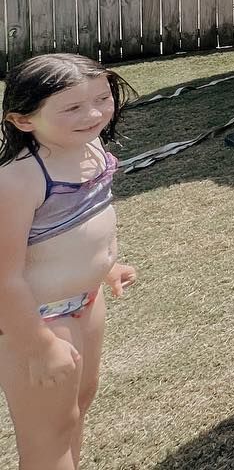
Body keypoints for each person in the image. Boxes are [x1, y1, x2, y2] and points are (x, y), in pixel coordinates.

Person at [0, 53, 138, 470]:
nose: (94, 113)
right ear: (24, 121)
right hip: (37, 320)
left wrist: (105, 266)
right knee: (48, 438)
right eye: (73, 107)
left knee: (77, 406)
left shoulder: (88, 146)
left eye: (101, 98)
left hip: (86, 300)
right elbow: (4, 278)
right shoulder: (19, 179)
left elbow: (82, 221)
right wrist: (38, 347)